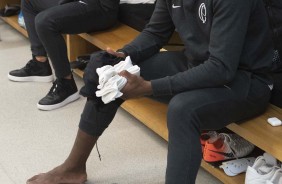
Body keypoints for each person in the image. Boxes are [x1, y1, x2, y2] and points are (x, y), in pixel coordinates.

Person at [26, 0, 274, 183]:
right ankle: (73, 168)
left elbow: (221, 68)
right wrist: (121, 56)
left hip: (247, 81)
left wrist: (149, 88)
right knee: (114, 75)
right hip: (198, 63)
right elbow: (155, 33)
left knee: (183, 110)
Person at [8, 0, 120, 111]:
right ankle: (39, 63)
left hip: (100, 7)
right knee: (29, 2)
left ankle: (66, 83)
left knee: (45, 21)